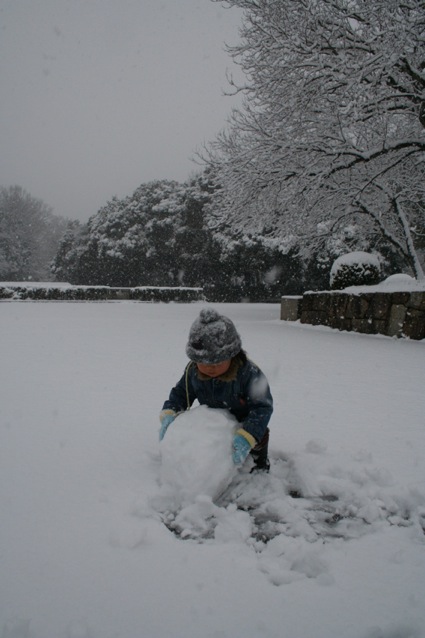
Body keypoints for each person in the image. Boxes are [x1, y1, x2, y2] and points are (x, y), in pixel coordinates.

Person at [159, 307, 273, 472]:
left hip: (243, 421)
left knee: (260, 435)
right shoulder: (193, 372)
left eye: (217, 363)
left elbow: (263, 406)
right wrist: (170, 412)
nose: (210, 368)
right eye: (203, 363)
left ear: (232, 355)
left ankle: (260, 463)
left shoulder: (249, 374)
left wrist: (248, 435)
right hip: (212, 423)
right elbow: (181, 394)